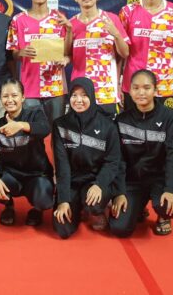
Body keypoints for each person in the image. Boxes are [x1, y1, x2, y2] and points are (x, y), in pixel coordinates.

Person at [109, 69, 173, 237]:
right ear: (129, 90)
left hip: (159, 179)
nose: (141, 92)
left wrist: (171, 189)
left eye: (146, 88)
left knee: (167, 206)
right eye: (135, 88)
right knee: (119, 228)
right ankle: (138, 207)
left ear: (155, 90)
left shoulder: (170, 118)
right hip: (133, 181)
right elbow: (118, 159)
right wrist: (119, 192)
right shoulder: (121, 120)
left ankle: (163, 217)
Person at [52, 77, 121, 239]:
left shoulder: (107, 126)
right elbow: (62, 164)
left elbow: (112, 161)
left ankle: (97, 210)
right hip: (72, 181)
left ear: (92, 95)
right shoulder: (60, 125)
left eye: (84, 95)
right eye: (74, 95)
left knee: (94, 203)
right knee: (63, 229)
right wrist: (63, 200)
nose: (78, 100)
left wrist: (100, 184)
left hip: (94, 180)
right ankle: (78, 207)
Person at [7, 0, 71, 126]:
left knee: (56, 131)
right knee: (32, 131)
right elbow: (13, 53)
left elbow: (67, 53)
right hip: (29, 88)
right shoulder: (18, 20)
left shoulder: (59, 18)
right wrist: (21, 53)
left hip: (55, 87)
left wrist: (69, 32)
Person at [119, 0, 173, 110]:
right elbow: (120, 52)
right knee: (132, 125)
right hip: (134, 84)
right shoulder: (127, 11)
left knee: (163, 125)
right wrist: (118, 83)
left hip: (164, 84)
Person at [0, 79, 54, 226]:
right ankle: (8, 206)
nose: (9, 100)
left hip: (37, 175)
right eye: (5, 96)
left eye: (14, 95)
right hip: (11, 175)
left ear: (23, 97)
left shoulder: (35, 115)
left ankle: (37, 210)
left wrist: (21, 125)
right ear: (0, 98)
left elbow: (45, 129)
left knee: (44, 199)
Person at [69, 0, 129, 117]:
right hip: (80, 92)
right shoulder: (70, 24)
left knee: (107, 130)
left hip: (105, 90)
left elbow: (125, 53)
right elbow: (67, 56)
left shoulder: (111, 19)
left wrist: (116, 34)